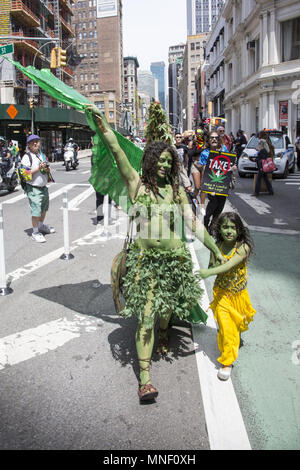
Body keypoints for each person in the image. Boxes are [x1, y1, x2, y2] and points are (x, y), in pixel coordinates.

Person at [85, 103, 225, 402]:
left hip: (175, 262)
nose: (164, 165)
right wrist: (104, 128)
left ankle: (165, 333)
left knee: (165, 314)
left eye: (168, 161)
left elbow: (193, 223)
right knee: (147, 316)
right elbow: (119, 155)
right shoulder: (138, 187)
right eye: (159, 161)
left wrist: (214, 247)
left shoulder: (176, 192)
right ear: (149, 161)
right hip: (146, 263)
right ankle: (145, 379)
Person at [199, 212, 256, 381]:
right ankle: (227, 362)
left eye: (233, 227)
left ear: (239, 230)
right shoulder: (217, 246)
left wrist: (208, 272)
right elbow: (213, 265)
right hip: (222, 293)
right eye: (225, 227)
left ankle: (233, 340)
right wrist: (213, 263)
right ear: (219, 229)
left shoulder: (243, 247)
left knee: (237, 324)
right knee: (226, 327)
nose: (229, 231)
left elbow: (228, 266)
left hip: (239, 294)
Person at [21, 135, 55, 243]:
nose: (35, 144)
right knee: (36, 211)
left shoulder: (41, 155)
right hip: (33, 188)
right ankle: (35, 232)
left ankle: (40, 225)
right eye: (32, 142)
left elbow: (46, 168)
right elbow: (25, 173)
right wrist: (38, 168)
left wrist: (47, 168)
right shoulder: (27, 157)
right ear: (29, 145)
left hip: (43, 187)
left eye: (37, 141)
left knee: (44, 209)